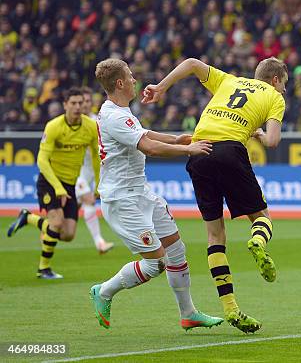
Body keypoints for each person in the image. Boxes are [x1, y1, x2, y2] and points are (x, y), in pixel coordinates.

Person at [141, 56, 287, 333]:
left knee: (215, 235)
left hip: (199, 150)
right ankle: (257, 241)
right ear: (276, 79)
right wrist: (257, 134)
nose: (283, 91)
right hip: (230, 150)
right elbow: (273, 141)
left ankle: (230, 307)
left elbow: (193, 63)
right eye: (284, 85)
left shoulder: (229, 80)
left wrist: (161, 87)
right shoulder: (274, 97)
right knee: (261, 217)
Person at [89, 58, 222, 331]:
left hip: (141, 193)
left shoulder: (119, 111)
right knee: (155, 264)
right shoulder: (115, 116)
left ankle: (189, 314)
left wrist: (175, 139)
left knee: (176, 250)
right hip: (122, 199)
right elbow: (148, 147)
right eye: (130, 75)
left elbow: (143, 133)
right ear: (120, 83)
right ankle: (103, 291)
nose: (135, 79)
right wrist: (188, 150)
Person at [7, 87, 100, 279]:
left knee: (68, 235)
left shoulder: (91, 126)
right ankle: (44, 268)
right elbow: (41, 160)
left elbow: (96, 158)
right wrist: (58, 188)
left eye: (80, 103)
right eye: (73, 103)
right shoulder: (54, 126)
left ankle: (28, 218)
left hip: (70, 184)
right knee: (56, 223)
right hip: (50, 181)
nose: (77, 107)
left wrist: (99, 184)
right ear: (65, 105)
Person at [76, 86, 114, 254]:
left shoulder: (96, 121)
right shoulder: (71, 122)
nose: (84, 105)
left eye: (87, 101)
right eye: (81, 101)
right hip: (76, 171)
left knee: (66, 220)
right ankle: (99, 242)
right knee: (89, 200)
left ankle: (41, 225)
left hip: (92, 171)